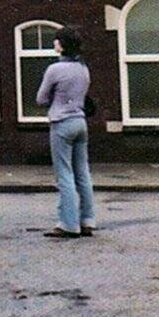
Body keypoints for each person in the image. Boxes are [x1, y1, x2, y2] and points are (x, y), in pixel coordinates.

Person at [36, 25, 97, 239]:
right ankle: (87, 220)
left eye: (56, 39)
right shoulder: (83, 68)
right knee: (83, 172)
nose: (54, 42)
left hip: (61, 123)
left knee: (64, 173)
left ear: (62, 45)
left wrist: (56, 98)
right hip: (80, 122)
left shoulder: (55, 69)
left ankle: (68, 224)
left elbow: (41, 99)